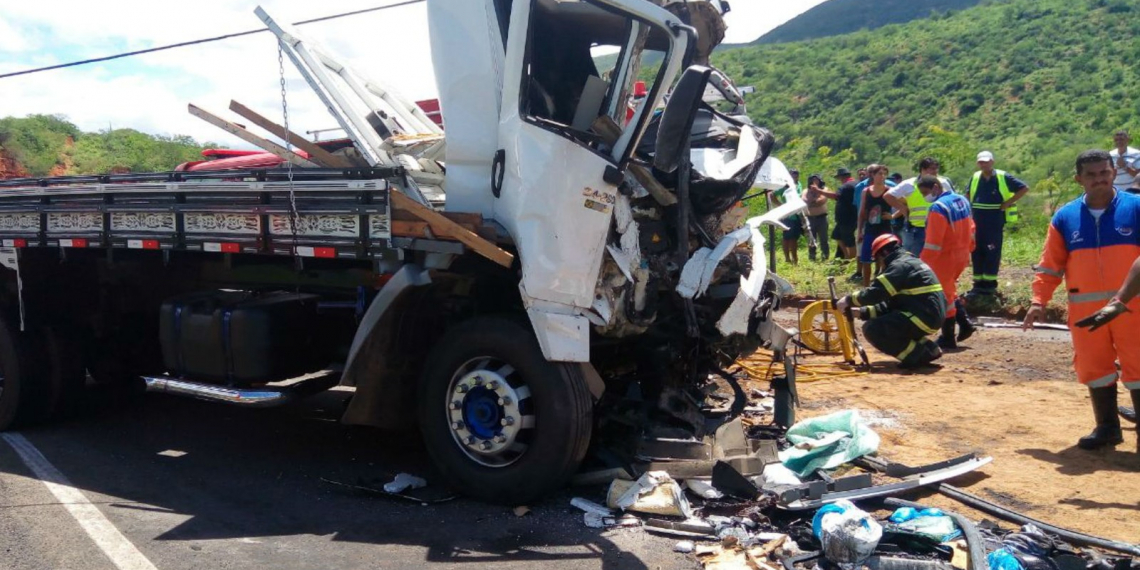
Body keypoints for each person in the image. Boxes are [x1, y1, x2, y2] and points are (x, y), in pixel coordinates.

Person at [1025, 150, 1140, 452]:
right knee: (1094, 366)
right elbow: (1050, 265)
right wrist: (1038, 300)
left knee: (1139, 367)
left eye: (1104, 172)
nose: (1099, 179)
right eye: (1091, 175)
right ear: (1079, 179)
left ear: (1114, 172)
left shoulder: (1136, 208)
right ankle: (1107, 428)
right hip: (1086, 310)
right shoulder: (1065, 217)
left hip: (1133, 307)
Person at [837, 234, 945, 369]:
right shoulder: (910, 261)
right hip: (927, 315)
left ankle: (918, 356)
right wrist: (861, 312)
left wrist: (848, 300)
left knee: (873, 329)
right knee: (893, 323)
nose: (879, 263)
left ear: (884, 253)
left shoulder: (898, 267)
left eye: (877, 259)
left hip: (923, 316)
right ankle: (930, 348)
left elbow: (875, 294)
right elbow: (890, 304)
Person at [916, 175, 975, 349]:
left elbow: (933, 243)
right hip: (962, 253)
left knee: (944, 296)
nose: (925, 196)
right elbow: (972, 227)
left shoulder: (938, 208)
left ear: (936, 187)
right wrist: (970, 248)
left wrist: (922, 264)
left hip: (945, 257)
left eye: (926, 192)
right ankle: (965, 324)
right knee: (949, 290)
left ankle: (948, 336)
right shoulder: (962, 200)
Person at [966, 151, 1029, 297]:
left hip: (994, 218)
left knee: (992, 250)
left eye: (986, 162)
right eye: (981, 162)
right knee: (976, 250)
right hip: (977, 219)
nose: (983, 164)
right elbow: (968, 195)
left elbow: (1024, 188)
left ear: (992, 162)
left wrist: (1008, 203)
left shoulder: (1002, 176)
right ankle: (978, 283)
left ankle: (989, 284)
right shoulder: (975, 177)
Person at [885, 157, 956, 257]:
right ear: (922, 169)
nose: (935, 171)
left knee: (936, 258)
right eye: (931, 169)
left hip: (938, 228)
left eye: (936, 168)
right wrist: (903, 209)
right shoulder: (909, 184)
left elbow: (952, 199)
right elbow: (888, 196)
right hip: (916, 229)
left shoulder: (942, 183)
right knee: (913, 259)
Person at [857, 164, 902, 287]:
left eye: (884, 174)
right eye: (879, 174)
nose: (882, 177)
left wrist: (893, 216)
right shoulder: (866, 191)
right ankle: (866, 287)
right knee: (866, 259)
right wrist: (859, 230)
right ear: (873, 175)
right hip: (870, 228)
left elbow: (904, 205)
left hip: (885, 230)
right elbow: (862, 212)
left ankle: (883, 287)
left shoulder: (889, 191)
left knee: (885, 259)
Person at [803, 174, 832, 261]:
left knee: (824, 239)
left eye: (816, 180)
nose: (815, 181)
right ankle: (812, 257)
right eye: (813, 180)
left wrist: (811, 201)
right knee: (811, 239)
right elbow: (804, 201)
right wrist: (812, 197)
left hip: (821, 218)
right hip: (810, 218)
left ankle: (825, 256)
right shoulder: (805, 191)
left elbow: (821, 201)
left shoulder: (824, 190)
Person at [832, 168, 859, 261]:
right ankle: (847, 256)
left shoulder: (846, 186)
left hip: (847, 218)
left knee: (849, 239)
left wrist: (819, 191)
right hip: (848, 217)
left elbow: (835, 196)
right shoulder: (856, 184)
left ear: (842, 177)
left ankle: (852, 258)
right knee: (837, 235)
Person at [778, 169, 804, 265]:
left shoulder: (799, 184)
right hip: (787, 216)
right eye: (793, 176)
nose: (795, 177)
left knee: (794, 238)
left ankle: (794, 258)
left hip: (797, 215)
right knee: (787, 238)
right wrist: (781, 206)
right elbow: (772, 195)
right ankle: (788, 258)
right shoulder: (784, 186)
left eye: (796, 175)